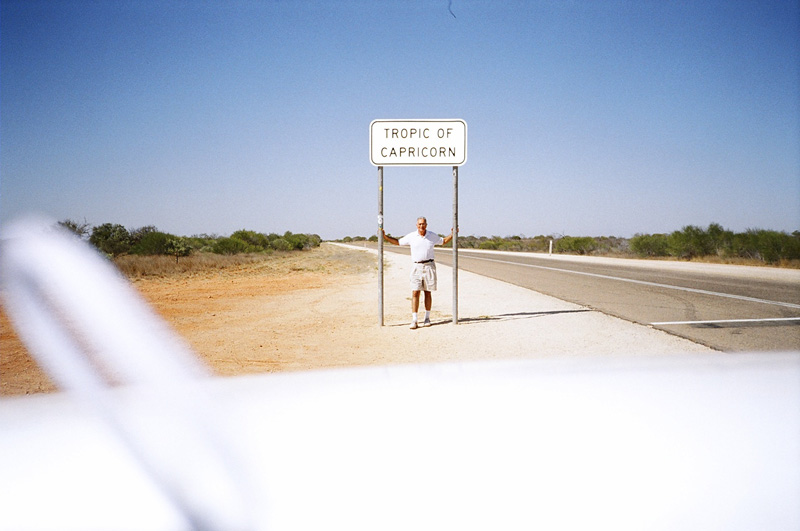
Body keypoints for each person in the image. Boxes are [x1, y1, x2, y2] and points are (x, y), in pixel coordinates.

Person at [382, 217, 454, 329]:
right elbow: (398, 242)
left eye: (423, 224)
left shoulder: (431, 236)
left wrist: (452, 234)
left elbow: (443, 241)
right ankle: (414, 319)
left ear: (426, 225)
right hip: (416, 267)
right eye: (420, 224)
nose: (422, 226)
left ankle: (427, 318)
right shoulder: (411, 236)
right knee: (415, 292)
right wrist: (385, 237)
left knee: (427, 292)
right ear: (416, 225)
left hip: (429, 266)